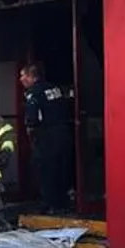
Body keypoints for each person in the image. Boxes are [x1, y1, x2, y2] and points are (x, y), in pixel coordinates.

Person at [21, 64, 76, 213]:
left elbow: (32, 119)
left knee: (46, 170)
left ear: (32, 77)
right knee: (62, 168)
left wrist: (32, 135)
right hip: (64, 132)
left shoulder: (33, 93)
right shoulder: (55, 89)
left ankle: (49, 203)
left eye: (23, 76)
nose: (21, 79)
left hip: (47, 136)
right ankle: (63, 201)